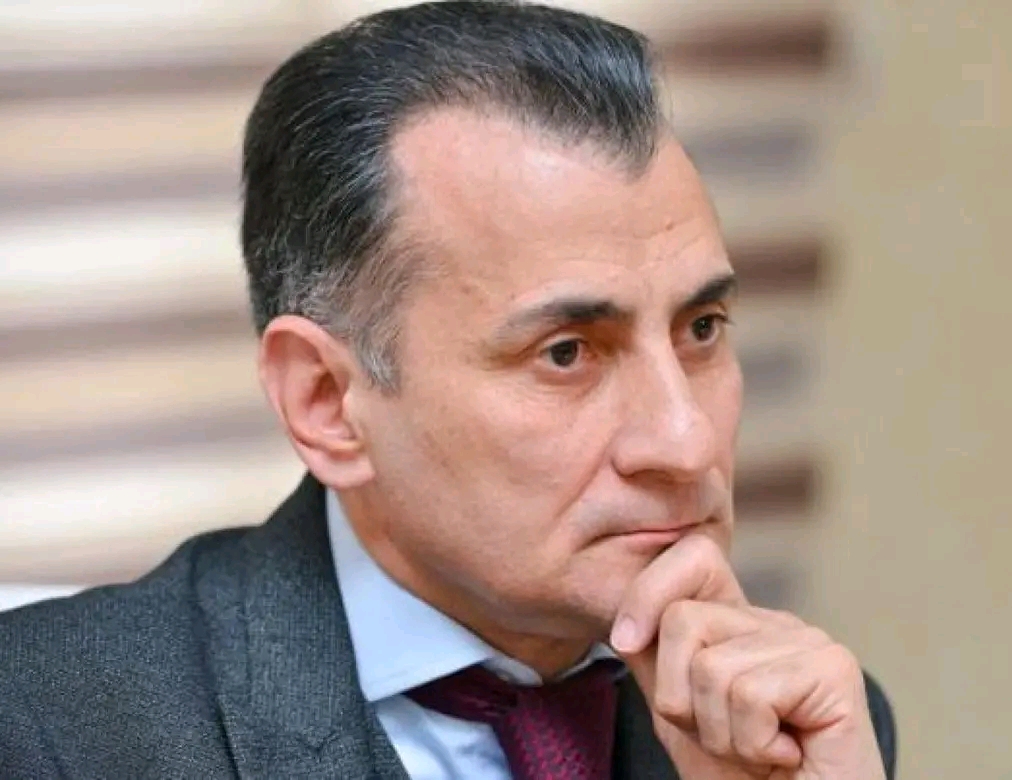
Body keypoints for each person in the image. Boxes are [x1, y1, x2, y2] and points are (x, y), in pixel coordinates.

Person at [0, 2, 896, 778]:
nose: (687, 442)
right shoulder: (48, 730)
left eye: (701, 330)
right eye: (566, 353)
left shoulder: (796, 725)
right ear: (325, 402)